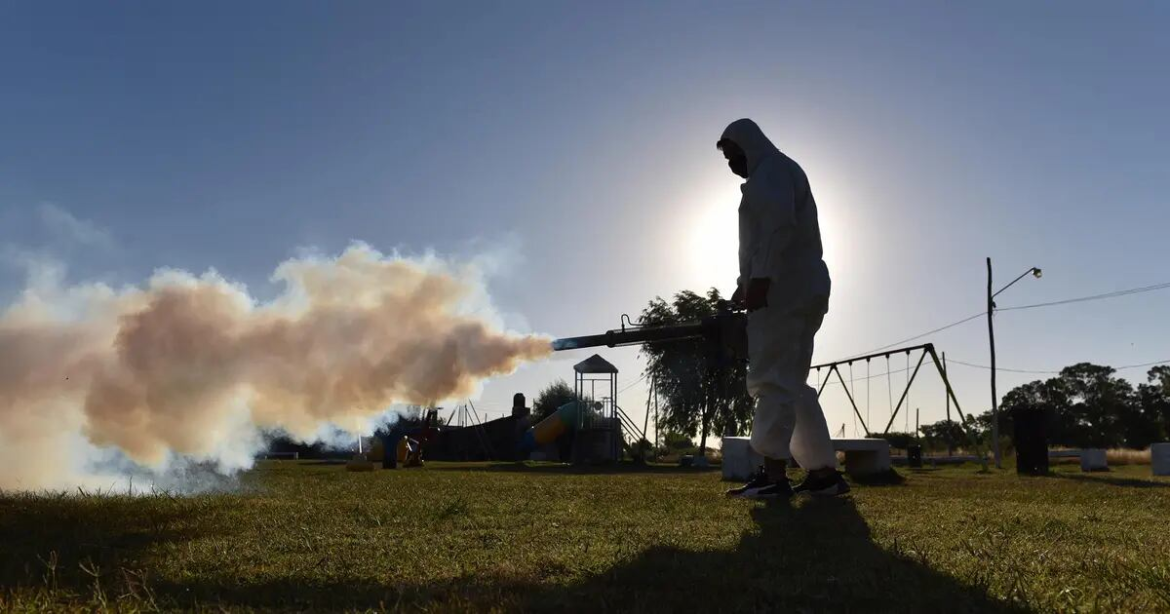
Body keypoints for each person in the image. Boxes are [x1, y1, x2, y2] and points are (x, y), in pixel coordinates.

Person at [717, 118, 849, 499]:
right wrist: (742, 289)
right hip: (796, 287)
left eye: (731, 155)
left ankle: (773, 477)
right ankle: (824, 474)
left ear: (747, 146)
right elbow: (763, 246)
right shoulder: (777, 172)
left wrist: (761, 283)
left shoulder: (771, 171)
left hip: (784, 291)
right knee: (792, 383)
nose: (730, 164)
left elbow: (777, 229)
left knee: (772, 379)